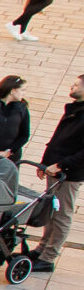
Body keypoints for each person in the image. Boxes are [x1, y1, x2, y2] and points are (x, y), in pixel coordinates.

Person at [33, 73, 84, 273]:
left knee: (62, 215)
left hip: (69, 174)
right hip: (56, 168)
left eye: (76, 85)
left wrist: (61, 165)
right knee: (50, 211)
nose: (72, 87)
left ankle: (48, 257)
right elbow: (57, 138)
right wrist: (45, 162)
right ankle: (42, 248)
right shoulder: (73, 109)